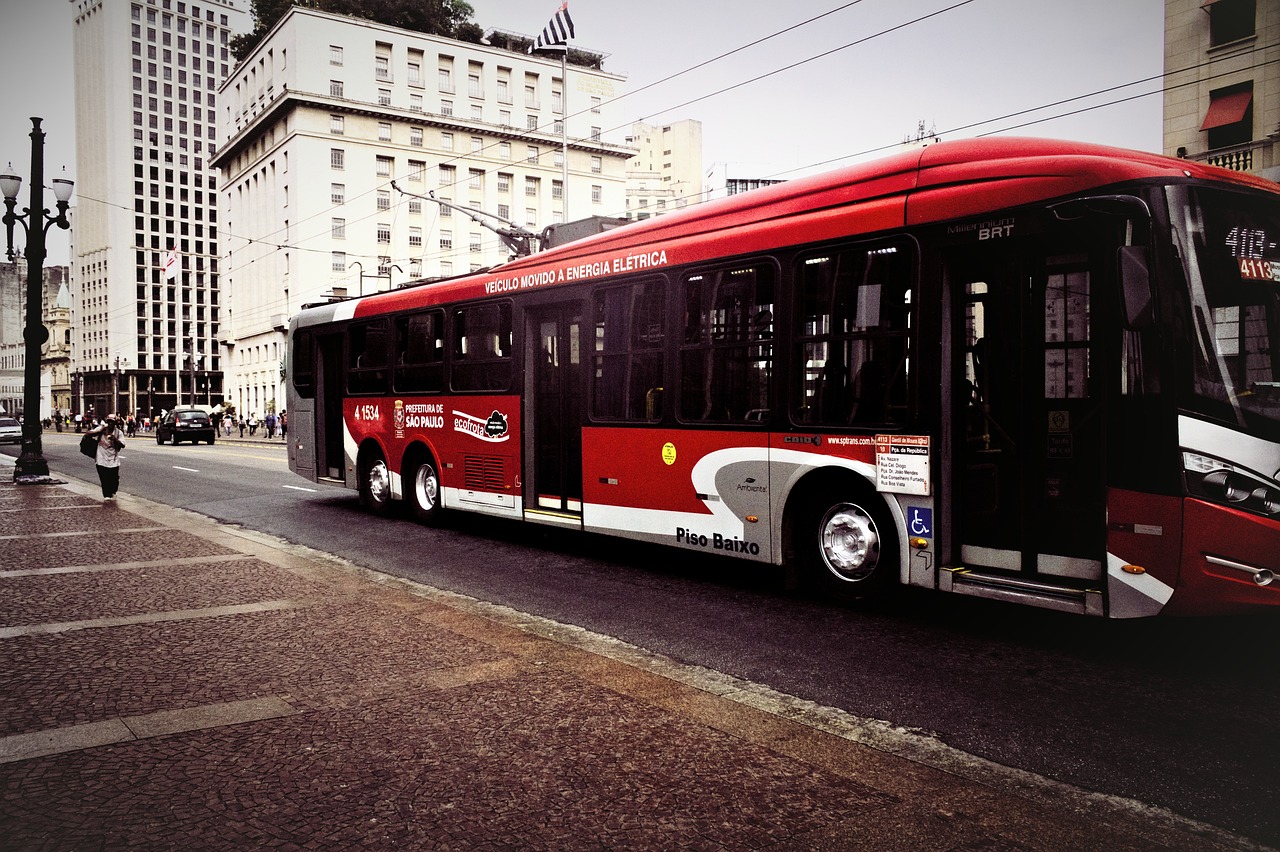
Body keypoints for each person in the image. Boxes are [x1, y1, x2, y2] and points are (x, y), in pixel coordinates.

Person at [86, 414, 126, 501]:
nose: (111, 424)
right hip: (101, 459)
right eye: (109, 422)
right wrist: (99, 432)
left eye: (113, 422)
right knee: (104, 478)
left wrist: (114, 439)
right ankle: (106, 496)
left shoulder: (118, 432)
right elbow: (88, 434)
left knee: (114, 479)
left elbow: (123, 445)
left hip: (113, 460)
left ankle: (113, 491)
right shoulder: (101, 429)